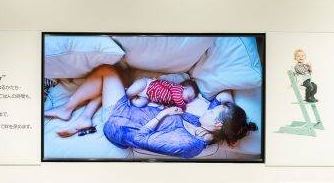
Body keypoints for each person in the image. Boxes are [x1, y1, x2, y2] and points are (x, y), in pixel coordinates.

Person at [45, 64, 258, 158]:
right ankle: (85, 117)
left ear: (218, 124)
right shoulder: (205, 123)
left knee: (107, 71)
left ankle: (67, 110)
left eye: (213, 112)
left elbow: (139, 138)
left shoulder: (188, 145)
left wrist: (163, 114)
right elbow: (223, 95)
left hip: (120, 124)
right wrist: (230, 111)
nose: (209, 109)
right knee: (120, 73)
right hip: (135, 112)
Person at [126, 76, 200, 109]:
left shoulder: (175, 101)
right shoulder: (177, 88)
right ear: (184, 87)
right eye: (189, 96)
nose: (188, 100)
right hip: (147, 84)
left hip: (147, 96)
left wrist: (168, 107)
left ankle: (132, 98)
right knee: (130, 92)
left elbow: (166, 104)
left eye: (190, 100)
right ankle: (126, 95)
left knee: (140, 104)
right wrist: (183, 107)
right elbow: (177, 98)